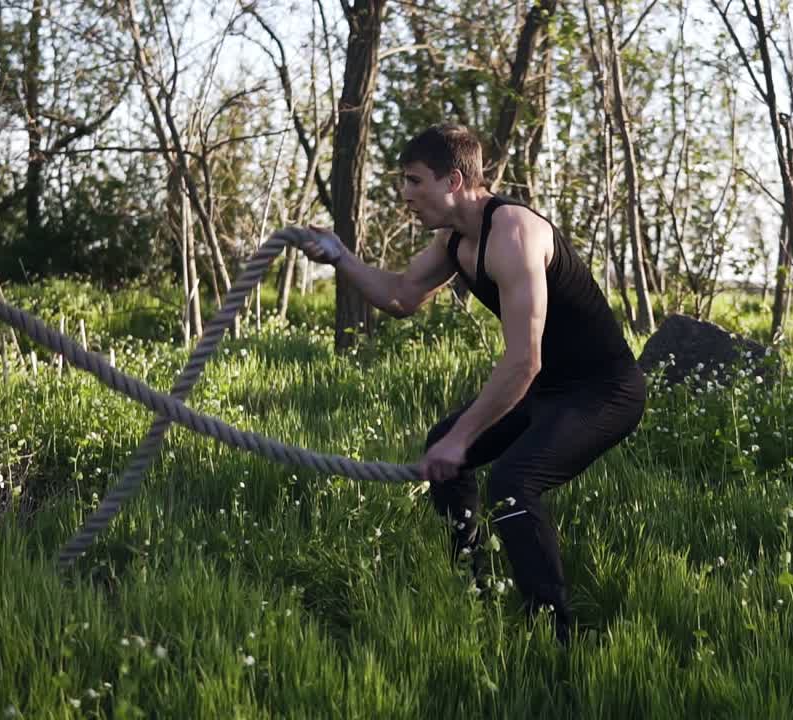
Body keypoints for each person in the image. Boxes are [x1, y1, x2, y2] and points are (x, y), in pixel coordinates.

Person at [273, 123, 645, 645]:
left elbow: (523, 363)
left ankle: (557, 634)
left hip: (604, 391)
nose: (405, 195)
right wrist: (340, 255)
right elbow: (402, 297)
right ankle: (477, 584)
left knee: (513, 483)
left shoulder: (514, 235)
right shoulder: (456, 241)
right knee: (445, 452)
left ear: (453, 180)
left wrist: (461, 437)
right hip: (550, 388)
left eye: (413, 181)